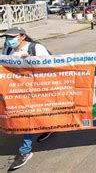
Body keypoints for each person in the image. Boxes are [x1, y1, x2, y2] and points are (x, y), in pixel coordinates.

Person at [1, 27, 53, 171]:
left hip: (35, 89)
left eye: (11, 37)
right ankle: (50, 126)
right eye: (6, 38)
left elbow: (52, 65)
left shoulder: (36, 48)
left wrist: (31, 61)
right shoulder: (7, 50)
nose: (8, 40)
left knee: (28, 117)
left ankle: (25, 150)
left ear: (22, 36)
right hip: (15, 89)